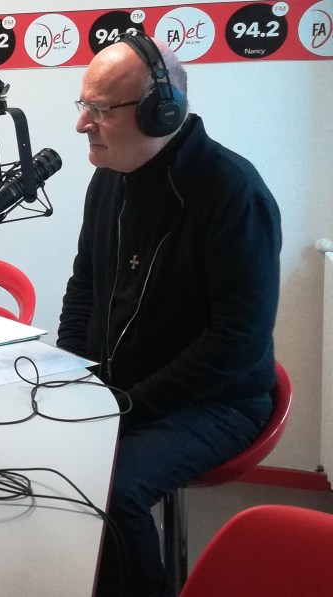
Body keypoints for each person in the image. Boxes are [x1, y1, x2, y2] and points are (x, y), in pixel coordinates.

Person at [57, 32, 281, 597]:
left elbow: (236, 343)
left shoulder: (233, 193)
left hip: (217, 401)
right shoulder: (108, 179)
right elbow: (84, 285)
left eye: (100, 110)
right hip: (126, 388)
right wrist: (70, 374)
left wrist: (126, 406)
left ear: (162, 111)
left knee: (114, 490)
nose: (82, 124)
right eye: (83, 105)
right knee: (46, 450)